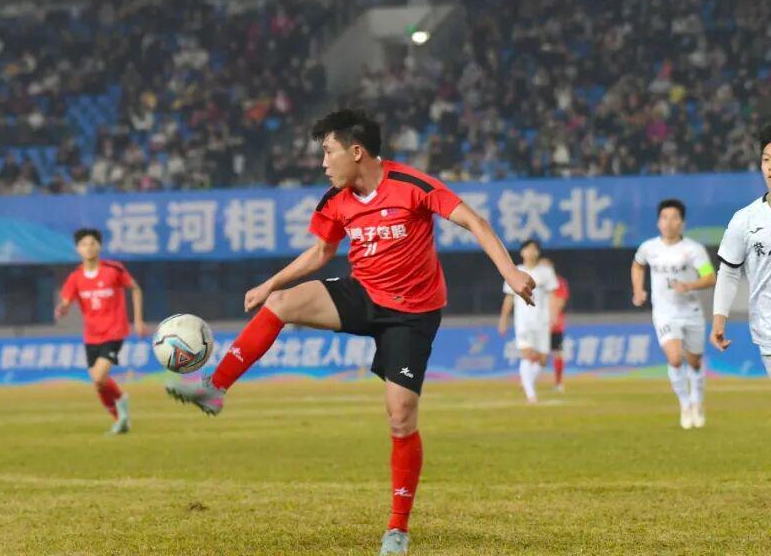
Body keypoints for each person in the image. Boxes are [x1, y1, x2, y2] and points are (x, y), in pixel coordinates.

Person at [164, 109, 535, 556]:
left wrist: (510, 272)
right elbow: (322, 251)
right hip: (364, 293)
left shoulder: (412, 185)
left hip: (412, 314)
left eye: (328, 152)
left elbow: (475, 221)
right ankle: (214, 388)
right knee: (281, 304)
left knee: (400, 418)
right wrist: (269, 285)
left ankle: (397, 529)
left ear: (356, 152)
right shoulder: (335, 200)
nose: (323, 163)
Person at [632, 199, 717, 428]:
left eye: (674, 218)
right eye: (664, 218)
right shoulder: (649, 248)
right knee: (675, 358)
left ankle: (697, 401)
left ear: (682, 222)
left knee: (694, 362)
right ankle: (685, 404)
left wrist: (688, 286)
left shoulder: (693, 250)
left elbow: (709, 277)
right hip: (664, 313)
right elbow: (638, 265)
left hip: (691, 311)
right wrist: (638, 290)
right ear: (658, 222)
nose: (669, 223)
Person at [55, 228, 147, 435]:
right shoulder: (75, 277)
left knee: (98, 377)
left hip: (114, 331)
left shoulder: (113, 269)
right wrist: (62, 308)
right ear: (78, 249)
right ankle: (120, 419)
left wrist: (138, 320)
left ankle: (122, 404)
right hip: (91, 335)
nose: (88, 248)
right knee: (99, 384)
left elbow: (135, 288)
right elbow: (66, 301)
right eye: (84, 244)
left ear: (99, 246)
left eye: (92, 243)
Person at [711, 124, 771, 376]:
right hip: (768, 330)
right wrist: (719, 319)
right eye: (766, 160)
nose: (770, 167)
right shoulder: (744, 219)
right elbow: (728, 272)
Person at [497, 240, 560, 404]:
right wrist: (503, 319)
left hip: (542, 321)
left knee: (543, 360)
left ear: (538, 252)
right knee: (527, 355)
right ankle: (531, 395)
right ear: (522, 252)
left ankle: (526, 381)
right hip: (523, 321)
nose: (530, 252)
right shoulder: (514, 271)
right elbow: (509, 298)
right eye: (527, 249)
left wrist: (554, 315)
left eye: (534, 249)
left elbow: (553, 295)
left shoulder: (546, 272)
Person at [539, 257, 568, 391]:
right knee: (535, 353)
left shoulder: (559, 283)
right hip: (537, 324)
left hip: (555, 325)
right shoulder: (535, 283)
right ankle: (529, 381)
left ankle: (558, 383)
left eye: (547, 267)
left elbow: (560, 302)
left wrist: (553, 319)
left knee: (557, 353)